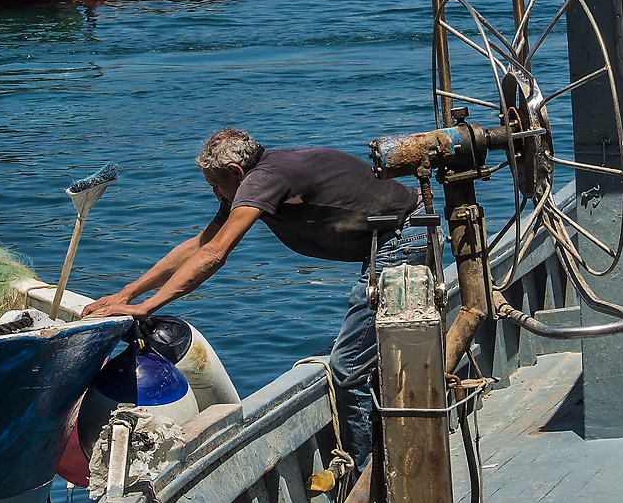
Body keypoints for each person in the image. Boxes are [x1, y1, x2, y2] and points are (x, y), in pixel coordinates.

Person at [86, 129, 419, 479]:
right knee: (360, 355)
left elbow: (216, 254)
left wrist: (146, 308)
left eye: (216, 185)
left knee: (348, 367)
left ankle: (366, 479)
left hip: (401, 237)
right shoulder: (258, 176)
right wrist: (128, 293)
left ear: (235, 171)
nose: (216, 195)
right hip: (390, 236)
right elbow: (200, 243)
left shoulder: (264, 179)